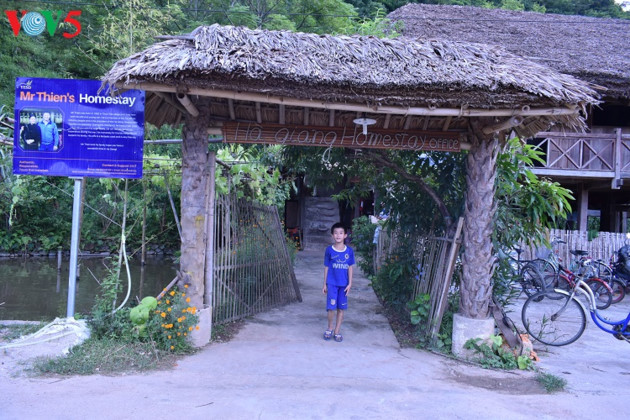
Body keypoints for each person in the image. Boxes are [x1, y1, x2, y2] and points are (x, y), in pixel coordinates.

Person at [322, 222, 355, 342]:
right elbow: (326, 267)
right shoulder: (329, 250)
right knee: (331, 308)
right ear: (332, 235)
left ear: (345, 235)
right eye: (335, 233)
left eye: (341, 233)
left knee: (341, 308)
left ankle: (337, 331)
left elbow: (350, 267)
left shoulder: (349, 251)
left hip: (344, 285)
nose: (338, 235)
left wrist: (350, 283)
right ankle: (330, 328)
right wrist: (324, 284)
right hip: (332, 284)